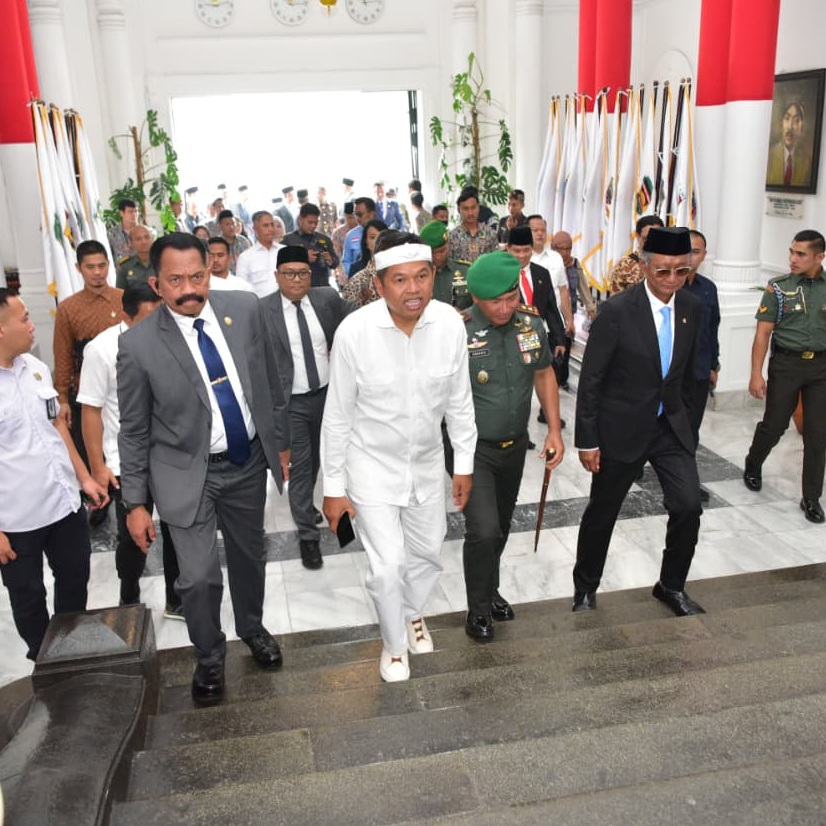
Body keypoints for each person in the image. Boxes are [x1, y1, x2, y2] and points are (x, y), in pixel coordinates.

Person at [117, 232, 291, 704]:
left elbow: (270, 379)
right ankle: (209, 655)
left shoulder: (245, 309)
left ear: (210, 271)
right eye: (175, 280)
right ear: (157, 284)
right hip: (184, 474)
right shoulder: (138, 346)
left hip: (246, 461)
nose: (189, 289)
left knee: (249, 558)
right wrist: (135, 502)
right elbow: (133, 430)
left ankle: (252, 628)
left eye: (197, 276)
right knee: (197, 578)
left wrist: (280, 442)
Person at [321, 230, 477, 682]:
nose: (413, 289)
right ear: (379, 284)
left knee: (428, 555)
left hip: (426, 464)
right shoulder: (354, 333)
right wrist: (334, 489)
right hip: (369, 466)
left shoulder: (449, 324)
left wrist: (463, 464)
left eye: (422, 276)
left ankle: (411, 612)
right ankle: (393, 645)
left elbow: (459, 402)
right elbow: (337, 417)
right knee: (387, 566)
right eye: (400, 279)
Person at [573, 227, 705, 617]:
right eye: (663, 270)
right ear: (645, 266)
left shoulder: (692, 307)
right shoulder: (617, 311)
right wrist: (588, 440)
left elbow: (689, 375)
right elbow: (591, 380)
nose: (672, 279)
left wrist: (688, 425)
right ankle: (585, 589)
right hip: (621, 428)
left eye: (681, 271)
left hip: (669, 428)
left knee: (688, 506)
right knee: (603, 512)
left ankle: (671, 586)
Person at [459, 252, 564, 641]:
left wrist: (554, 430)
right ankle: (477, 609)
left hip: (514, 446)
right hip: (473, 450)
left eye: (510, 298)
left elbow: (544, 374)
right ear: (476, 297)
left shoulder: (530, 324)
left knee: (501, 526)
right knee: (483, 530)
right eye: (495, 301)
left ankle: (490, 590)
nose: (505, 308)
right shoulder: (459, 331)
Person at [0, 288, 109, 661]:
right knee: (28, 595)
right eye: (24, 319)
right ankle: (43, 660)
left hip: (63, 503)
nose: (32, 325)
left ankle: (69, 648)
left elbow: (57, 426)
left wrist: (84, 478)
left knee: (75, 579)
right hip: (17, 519)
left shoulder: (35, 367)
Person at [77, 283, 183, 616]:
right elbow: (91, 409)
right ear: (126, 316)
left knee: (177, 529)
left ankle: (176, 598)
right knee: (133, 535)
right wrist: (98, 466)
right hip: (127, 461)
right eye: (148, 319)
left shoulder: (171, 337)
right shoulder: (102, 349)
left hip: (171, 455)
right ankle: (129, 595)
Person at [262, 246, 353, 569]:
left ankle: (337, 515)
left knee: (329, 459)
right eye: (289, 274)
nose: (297, 280)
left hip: (330, 397)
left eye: (302, 273)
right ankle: (308, 537)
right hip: (293, 403)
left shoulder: (326, 298)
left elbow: (356, 319)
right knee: (301, 467)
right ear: (277, 276)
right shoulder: (263, 311)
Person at [743, 229, 826, 524]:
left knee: (817, 434)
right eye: (792, 251)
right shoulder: (778, 288)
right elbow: (763, 333)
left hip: (821, 368)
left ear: (819, 256)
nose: (793, 258)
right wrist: (756, 374)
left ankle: (811, 497)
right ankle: (754, 462)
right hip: (786, 365)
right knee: (775, 425)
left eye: (801, 254)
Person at [53, 241, 123, 478]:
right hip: (87, 391)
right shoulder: (68, 308)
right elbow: (62, 355)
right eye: (90, 267)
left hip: (125, 387)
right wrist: (63, 399)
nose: (97, 272)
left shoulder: (124, 299)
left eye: (101, 266)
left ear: (108, 265)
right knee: (94, 453)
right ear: (78, 268)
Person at [682, 230, 721, 503]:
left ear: (704, 255)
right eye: (686, 250)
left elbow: (712, 328)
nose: (690, 257)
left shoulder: (708, 288)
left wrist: (713, 364)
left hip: (698, 371)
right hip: (669, 371)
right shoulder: (667, 286)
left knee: (690, 429)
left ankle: (686, 482)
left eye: (695, 252)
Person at [283, 203, 339, 288]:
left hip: (322, 286)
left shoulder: (324, 239)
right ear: (300, 219)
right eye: (310, 222)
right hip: (298, 288)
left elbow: (335, 262)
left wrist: (330, 260)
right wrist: (303, 259)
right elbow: (282, 267)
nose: (313, 226)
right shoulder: (287, 240)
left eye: (316, 222)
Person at [419, 220, 471, 308]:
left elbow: (480, 303)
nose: (437, 257)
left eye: (442, 251)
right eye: (432, 252)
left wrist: (465, 313)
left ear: (448, 244)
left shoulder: (466, 271)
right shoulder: (417, 276)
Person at [609, 214, 664, 295]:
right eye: (647, 238)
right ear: (638, 236)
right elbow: (616, 299)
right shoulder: (624, 265)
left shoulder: (672, 262)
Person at [551, 230, 598, 323]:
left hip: (570, 313)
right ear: (554, 248)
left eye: (568, 249)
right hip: (552, 314)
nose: (565, 253)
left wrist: (590, 308)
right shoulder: (547, 263)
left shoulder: (574, 264)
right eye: (561, 249)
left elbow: (583, 288)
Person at [236, 211, 284, 298]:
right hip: (260, 304)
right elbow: (242, 290)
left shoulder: (285, 251)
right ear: (255, 229)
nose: (270, 229)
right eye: (266, 225)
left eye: (272, 225)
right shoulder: (245, 257)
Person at [766, 99, 813, 188]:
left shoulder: (807, 163)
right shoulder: (768, 156)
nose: (790, 126)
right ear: (781, 123)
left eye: (796, 120)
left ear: (802, 128)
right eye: (787, 118)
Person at [341, 220, 387, 307]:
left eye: (382, 237)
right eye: (372, 237)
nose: (378, 241)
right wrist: (365, 299)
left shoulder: (399, 268)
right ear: (366, 242)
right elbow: (348, 309)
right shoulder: (358, 278)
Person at [449, 187, 498, 264]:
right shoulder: (452, 237)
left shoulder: (490, 233)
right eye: (465, 209)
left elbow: (496, 260)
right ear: (459, 210)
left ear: (478, 207)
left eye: (473, 208)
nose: (470, 213)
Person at [341, 197, 376, 276]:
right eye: (355, 214)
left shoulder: (383, 232)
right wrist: (354, 275)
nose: (357, 218)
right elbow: (346, 261)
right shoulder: (351, 235)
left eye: (360, 214)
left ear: (371, 214)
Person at [217, 209, 252, 273]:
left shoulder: (243, 240)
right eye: (227, 224)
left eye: (233, 223)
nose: (231, 227)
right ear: (220, 226)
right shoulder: (216, 244)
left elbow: (251, 260)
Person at [107, 198, 138, 263]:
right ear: (121, 213)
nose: (134, 214)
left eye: (136, 211)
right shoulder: (112, 233)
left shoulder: (146, 232)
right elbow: (108, 255)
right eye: (130, 211)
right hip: (120, 268)